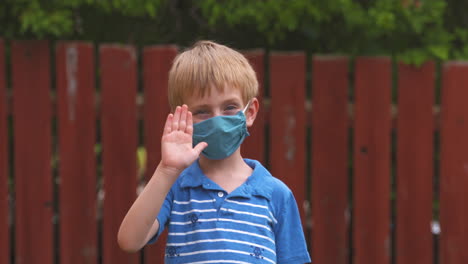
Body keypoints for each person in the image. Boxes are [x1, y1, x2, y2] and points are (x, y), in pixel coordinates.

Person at [118, 40, 311, 264]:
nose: (218, 120)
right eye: (202, 111)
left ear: (250, 112)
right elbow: (129, 241)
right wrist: (166, 170)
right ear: (183, 117)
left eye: (229, 107)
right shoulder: (175, 188)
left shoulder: (276, 195)